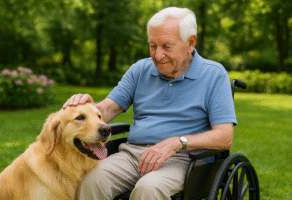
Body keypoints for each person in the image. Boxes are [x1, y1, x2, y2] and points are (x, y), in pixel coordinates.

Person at [63, 7, 237, 200]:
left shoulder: (214, 74)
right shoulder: (140, 70)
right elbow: (108, 108)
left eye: (166, 46)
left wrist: (178, 142)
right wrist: (87, 108)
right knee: (91, 181)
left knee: (148, 189)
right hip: (132, 155)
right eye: (153, 45)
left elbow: (224, 136)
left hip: (184, 160)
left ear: (191, 42)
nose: (157, 55)